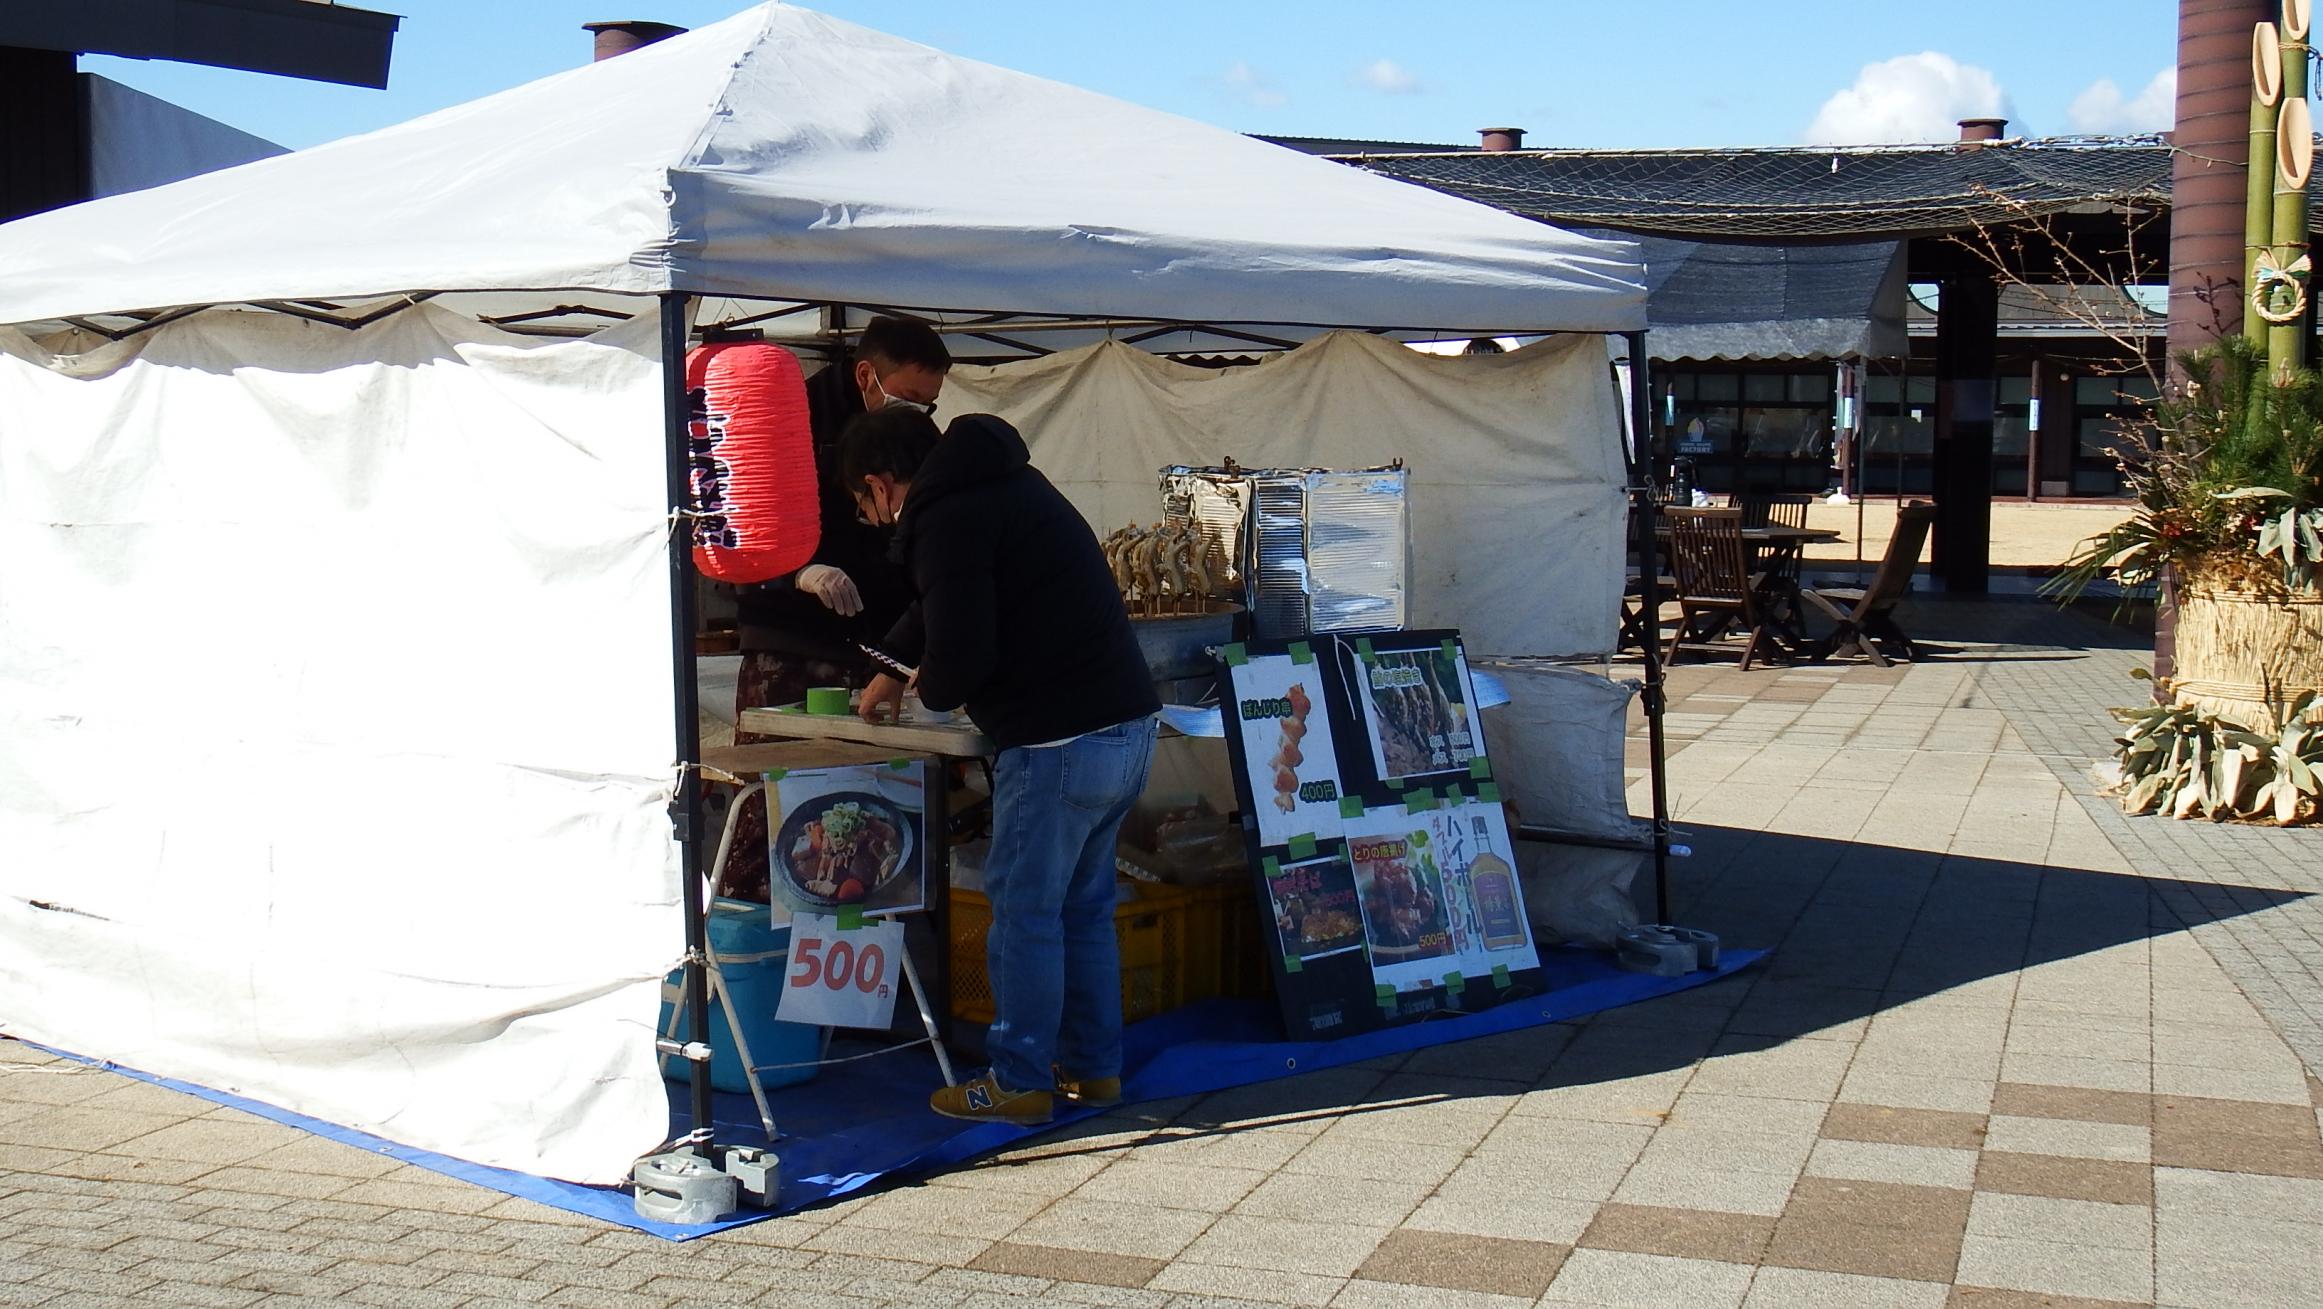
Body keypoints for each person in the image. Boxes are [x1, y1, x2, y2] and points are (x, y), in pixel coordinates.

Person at [840, 407, 1161, 1125]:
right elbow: (943, 601)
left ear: (880, 485)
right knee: (1082, 910)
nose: (875, 519)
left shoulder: (945, 516)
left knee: (1024, 914)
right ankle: (1093, 1070)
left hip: (1057, 744)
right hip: (1128, 725)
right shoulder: (1006, 484)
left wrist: (931, 689)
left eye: (866, 506)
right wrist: (889, 666)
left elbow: (961, 651)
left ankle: (1017, 1079)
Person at [717, 316, 950, 902]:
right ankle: (750, 920)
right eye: (909, 396)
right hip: (790, 641)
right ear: (867, 374)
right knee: (776, 798)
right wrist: (795, 572)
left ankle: (868, 932)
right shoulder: (784, 420)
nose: (919, 411)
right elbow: (733, 533)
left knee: (867, 807)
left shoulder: (916, 435)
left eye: (928, 403)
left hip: (878, 643)